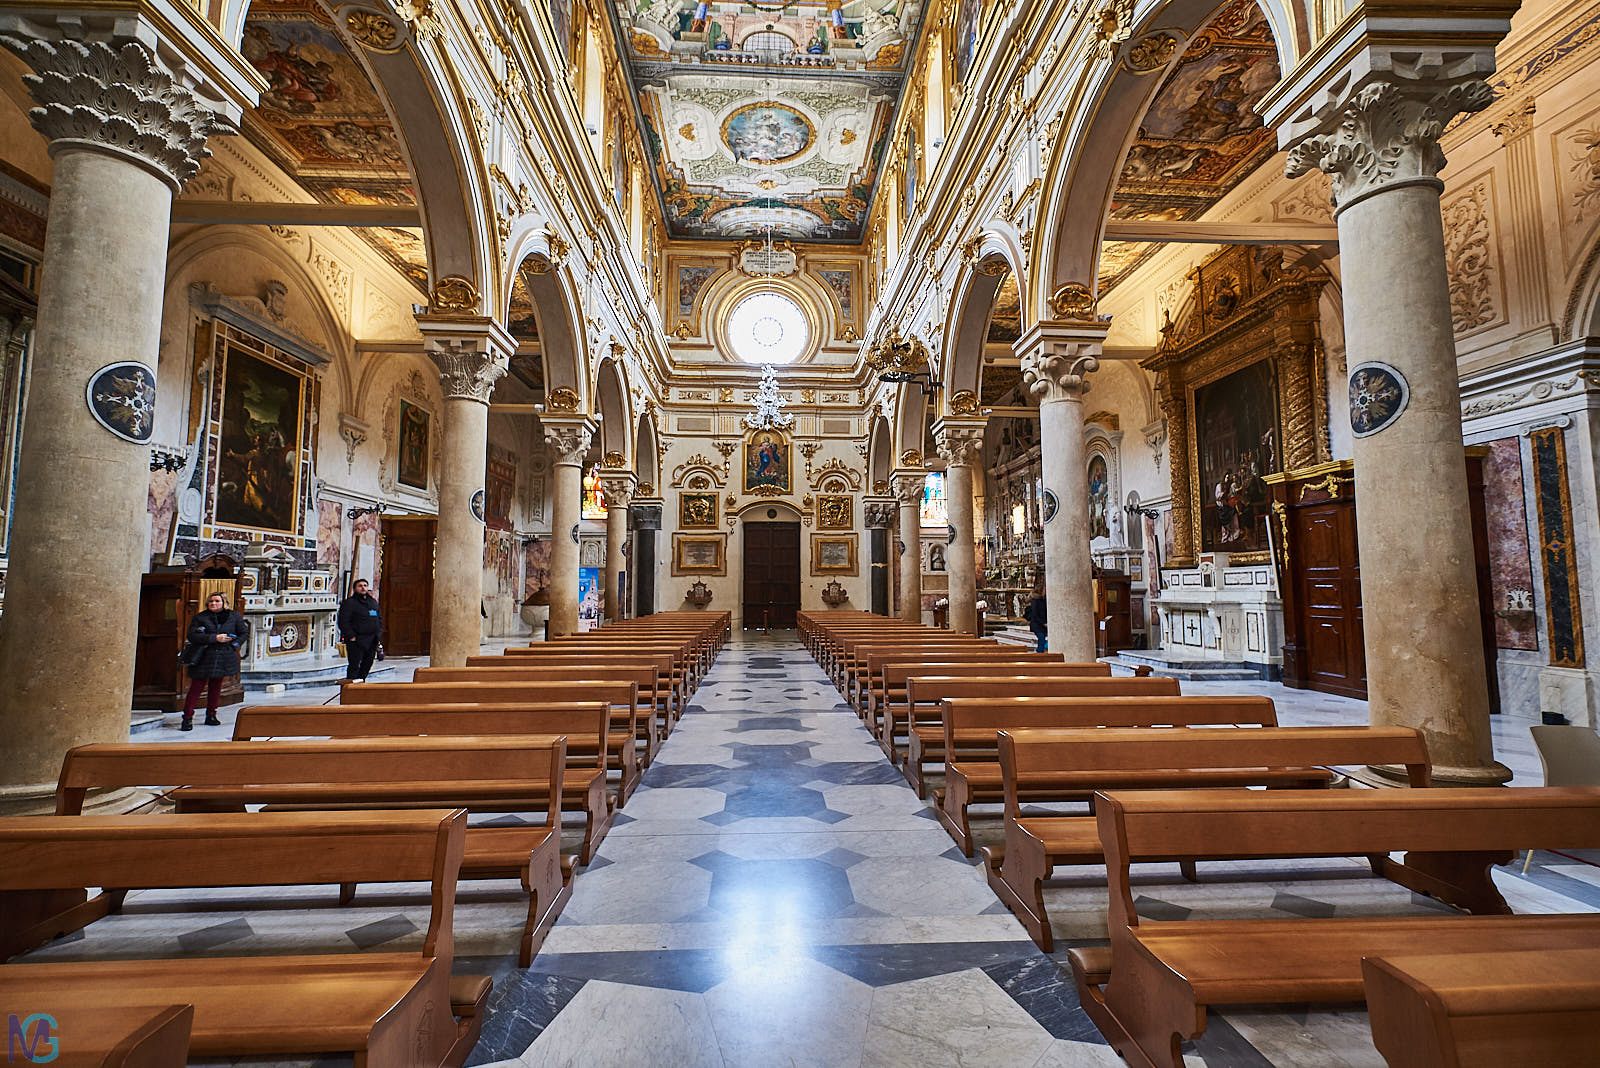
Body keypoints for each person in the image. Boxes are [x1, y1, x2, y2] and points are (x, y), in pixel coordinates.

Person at [181, 592, 249, 731]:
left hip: (224, 655)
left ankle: (211, 714)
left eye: (217, 601)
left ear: (224, 603)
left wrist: (234, 646)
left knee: (216, 687)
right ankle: (187, 718)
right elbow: (192, 635)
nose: (213, 604)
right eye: (211, 601)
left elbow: (243, 633)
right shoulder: (200, 617)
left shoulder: (233, 616)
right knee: (196, 688)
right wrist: (214, 638)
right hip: (204, 656)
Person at [338, 579, 383, 682]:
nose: (363, 588)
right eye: (360, 586)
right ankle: (350, 687)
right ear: (355, 589)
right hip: (357, 639)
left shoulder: (372, 602)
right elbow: (343, 621)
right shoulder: (349, 603)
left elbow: (379, 618)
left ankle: (361, 682)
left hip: (371, 639)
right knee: (354, 665)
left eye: (365, 585)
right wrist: (351, 636)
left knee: (368, 663)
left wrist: (378, 634)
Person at [1024, 583, 1047, 653]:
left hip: (1042, 625)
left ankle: (1041, 652)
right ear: (1041, 591)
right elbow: (1035, 615)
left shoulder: (1043, 600)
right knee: (1041, 638)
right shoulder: (1035, 601)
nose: (1045, 591)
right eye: (1044, 590)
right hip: (1037, 625)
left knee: (1043, 640)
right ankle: (1039, 655)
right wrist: (1043, 623)